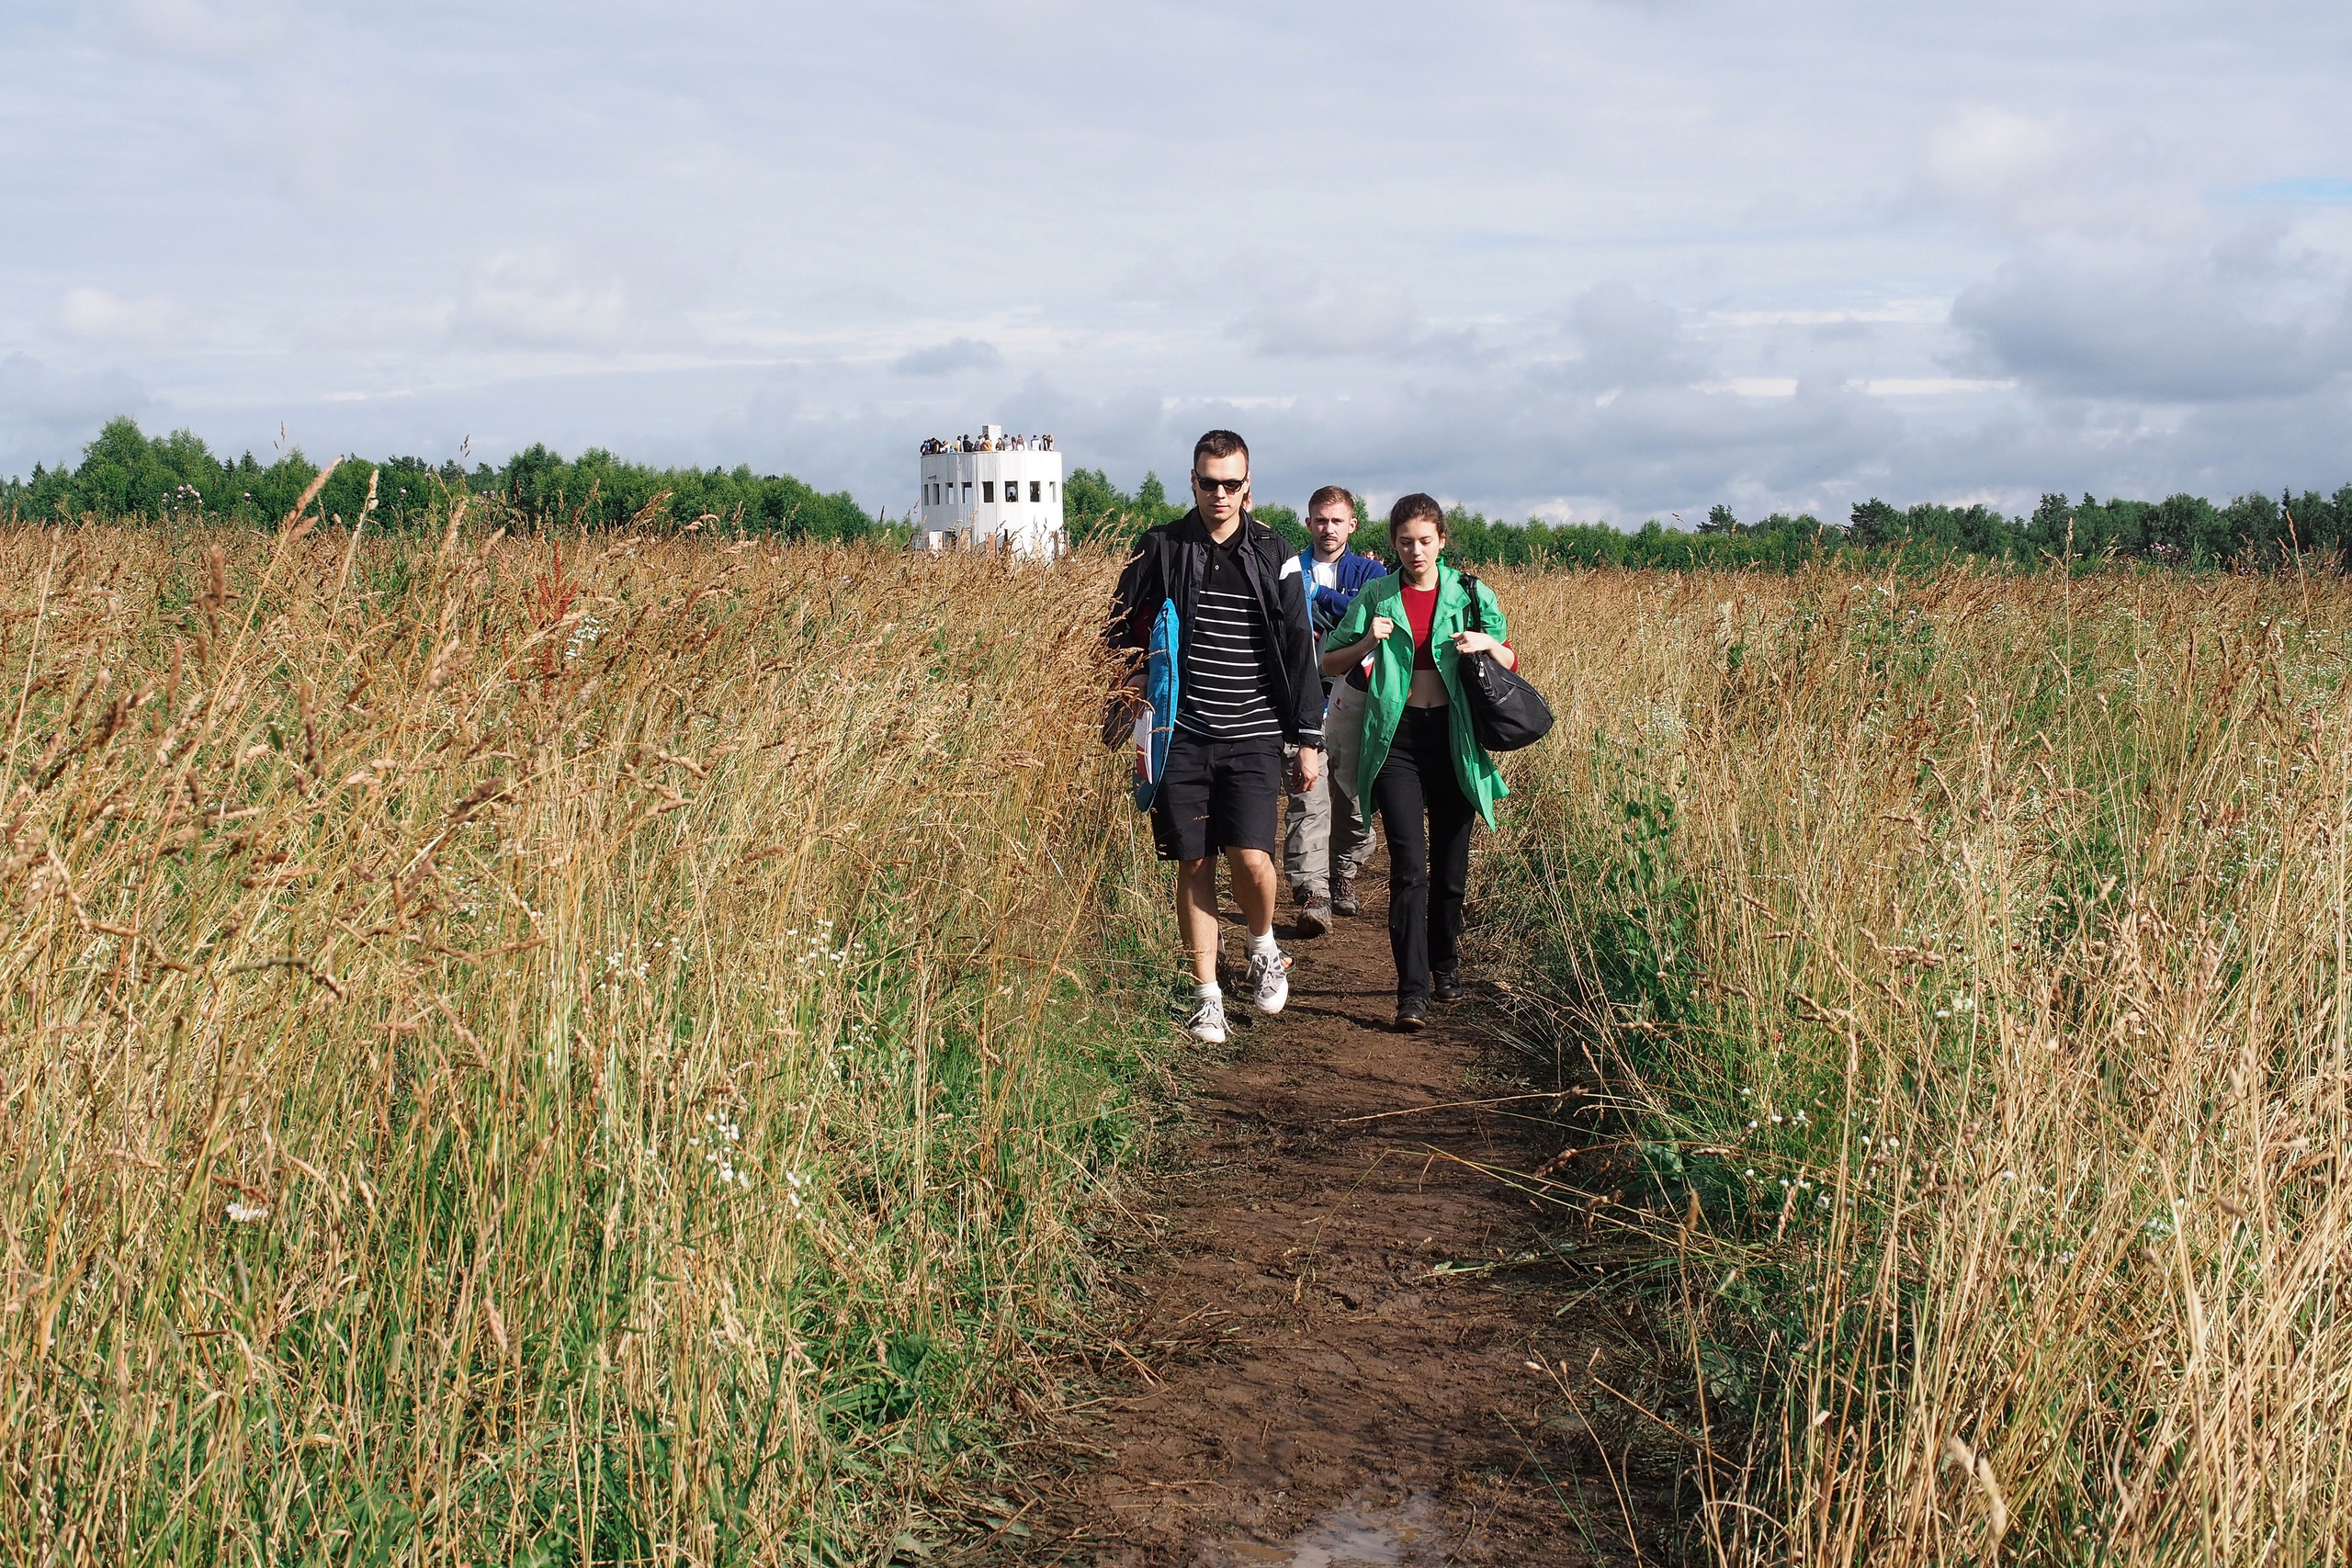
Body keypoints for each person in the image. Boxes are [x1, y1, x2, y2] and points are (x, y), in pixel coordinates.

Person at [1108, 430, 1326, 1044]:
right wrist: (1127, 697)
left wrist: (1308, 737)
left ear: (1248, 485)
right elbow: (1119, 629)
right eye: (1210, 482)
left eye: (1232, 483)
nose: (1221, 494)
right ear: (1194, 482)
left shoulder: (1274, 551)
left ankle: (1261, 943)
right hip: (1180, 735)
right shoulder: (1162, 547)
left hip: (1254, 732)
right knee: (1194, 860)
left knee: (1252, 859)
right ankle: (1207, 996)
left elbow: (1298, 649)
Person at [1319, 493, 1514, 1032]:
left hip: (1454, 737)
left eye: (1425, 540)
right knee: (1409, 868)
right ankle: (1412, 992)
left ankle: (1445, 963)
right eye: (1405, 541)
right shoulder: (1377, 595)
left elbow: (1509, 657)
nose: (1415, 550)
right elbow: (1327, 659)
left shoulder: (1470, 593)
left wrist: (1484, 644)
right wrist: (1365, 642)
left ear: (1442, 541)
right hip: (1397, 739)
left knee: (1451, 871)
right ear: (1394, 544)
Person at [1276, 485, 1386, 934]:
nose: (1328, 528)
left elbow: (1369, 618)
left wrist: (1322, 600)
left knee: (1354, 798)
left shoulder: (1371, 573)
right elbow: (1283, 624)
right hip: (1304, 697)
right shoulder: (1287, 569)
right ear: (1308, 523)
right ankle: (1313, 893)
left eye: (1336, 520)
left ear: (1351, 525)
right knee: (1308, 795)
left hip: (1359, 698)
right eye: (1320, 520)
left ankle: (1344, 872)